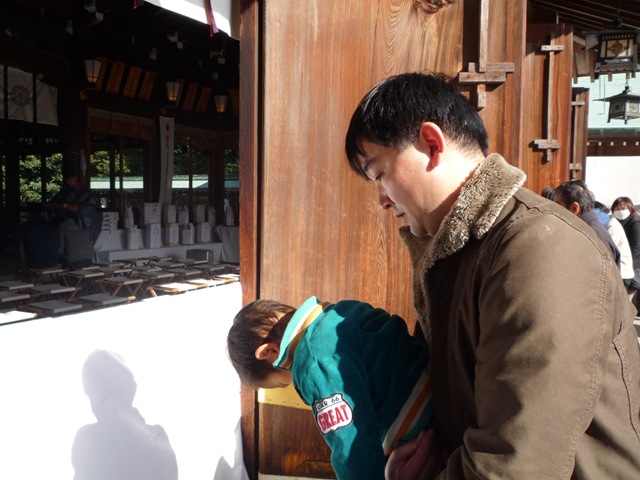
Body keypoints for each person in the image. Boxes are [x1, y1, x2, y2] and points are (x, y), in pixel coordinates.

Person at [344, 72, 640, 479]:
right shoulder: (458, 252)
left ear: (431, 144)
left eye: (378, 174)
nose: (380, 199)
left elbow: (516, 462)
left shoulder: (539, 247)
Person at [226, 297, 439, 480]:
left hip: (417, 422)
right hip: (433, 377)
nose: (291, 381)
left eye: (283, 381)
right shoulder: (343, 311)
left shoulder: (311, 362)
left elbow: (351, 446)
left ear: (268, 351)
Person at [553, 180, 621, 269]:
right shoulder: (584, 228)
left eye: (558, 205)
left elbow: (604, 274)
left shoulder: (594, 236)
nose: (555, 210)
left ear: (574, 208)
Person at [48, 160, 100, 245]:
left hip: (79, 226)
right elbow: (53, 204)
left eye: (70, 179)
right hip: (64, 226)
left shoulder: (85, 192)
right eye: (67, 180)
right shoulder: (64, 192)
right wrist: (63, 206)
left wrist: (77, 209)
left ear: (75, 177)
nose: (68, 182)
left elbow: (91, 207)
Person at [594, 200, 635, 284]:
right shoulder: (610, 223)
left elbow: (607, 249)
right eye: (617, 209)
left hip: (622, 273)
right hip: (618, 271)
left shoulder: (612, 225)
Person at [611, 196, 640, 307]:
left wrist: (629, 267)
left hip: (632, 266)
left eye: (623, 209)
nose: (620, 211)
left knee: (626, 300)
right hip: (623, 265)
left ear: (630, 209)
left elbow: (636, 248)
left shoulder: (635, 223)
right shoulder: (615, 222)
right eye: (617, 209)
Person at [16, 203, 61, 269]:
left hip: (35, 263)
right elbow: (58, 243)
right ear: (42, 213)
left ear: (28, 213)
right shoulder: (51, 225)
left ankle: (24, 264)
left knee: (21, 243)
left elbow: (18, 240)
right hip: (53, 262)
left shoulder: (25, 226)